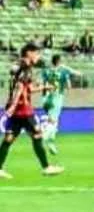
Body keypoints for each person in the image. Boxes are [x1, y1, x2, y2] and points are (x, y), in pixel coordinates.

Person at [0, 43, 63, 178]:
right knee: (37, 135)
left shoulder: (18, 65)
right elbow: (20, 86)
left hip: (17, 108)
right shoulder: (26, 67)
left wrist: (44, 88)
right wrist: (14, 104)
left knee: (8, 138)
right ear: (29, 53)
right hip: (23, 109)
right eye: (37, 53)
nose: (38, 56)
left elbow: (26, 88)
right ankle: (46, 167)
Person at [39, 53, 77, 156]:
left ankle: (51, 142)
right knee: (53, 121)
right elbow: (69, 86)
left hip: (45, 98)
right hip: (56, 98)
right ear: (59, 61)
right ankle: (44, 138)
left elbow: (40, 83)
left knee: (53, 121)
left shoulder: (46, 71)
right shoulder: (63, 71)